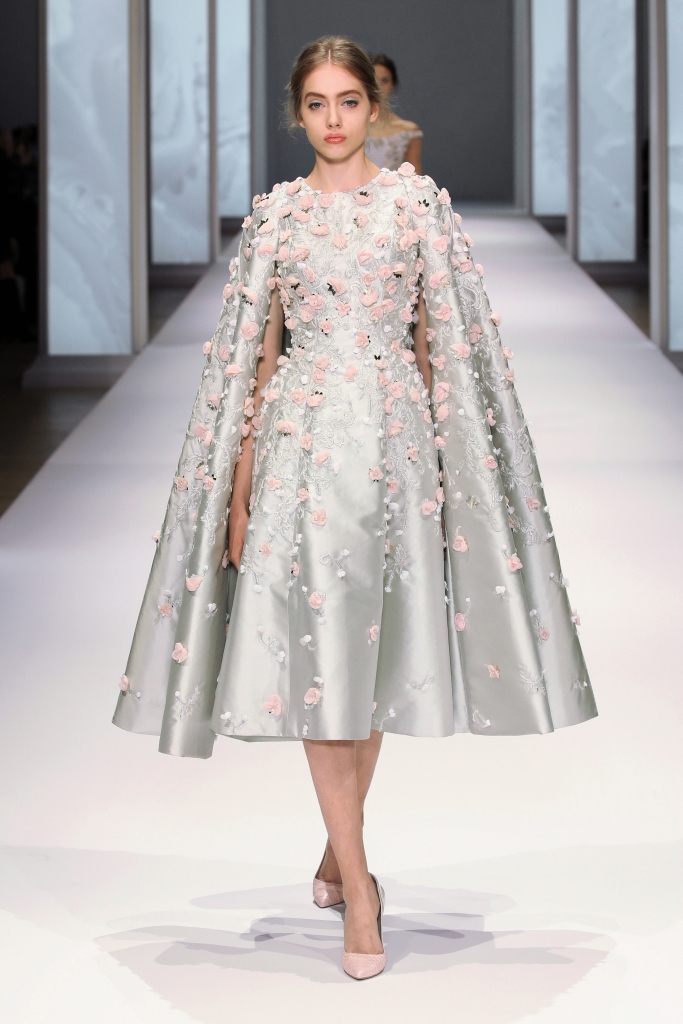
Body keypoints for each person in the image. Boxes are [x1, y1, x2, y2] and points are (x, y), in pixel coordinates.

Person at [113, 36, 597, 980]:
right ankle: (361, 888)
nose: (332, 120)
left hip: (399, 452)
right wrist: (239, 492)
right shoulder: (276, 219)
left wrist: (455, 476)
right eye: (315, 104)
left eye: (346, 101)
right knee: (322, 663)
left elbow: (440, 346)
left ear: (374, 108)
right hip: (298, 454)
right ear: (295, 113)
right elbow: (252, 363)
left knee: (366, 662)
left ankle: (340, 848)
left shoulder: (417, 208)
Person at [365, 53, 422, 173]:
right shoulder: (352, 128)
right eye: (373, 80)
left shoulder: (408, 131)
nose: (379, 87)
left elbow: (415, 178)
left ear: (393, 83)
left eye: (384, 80)